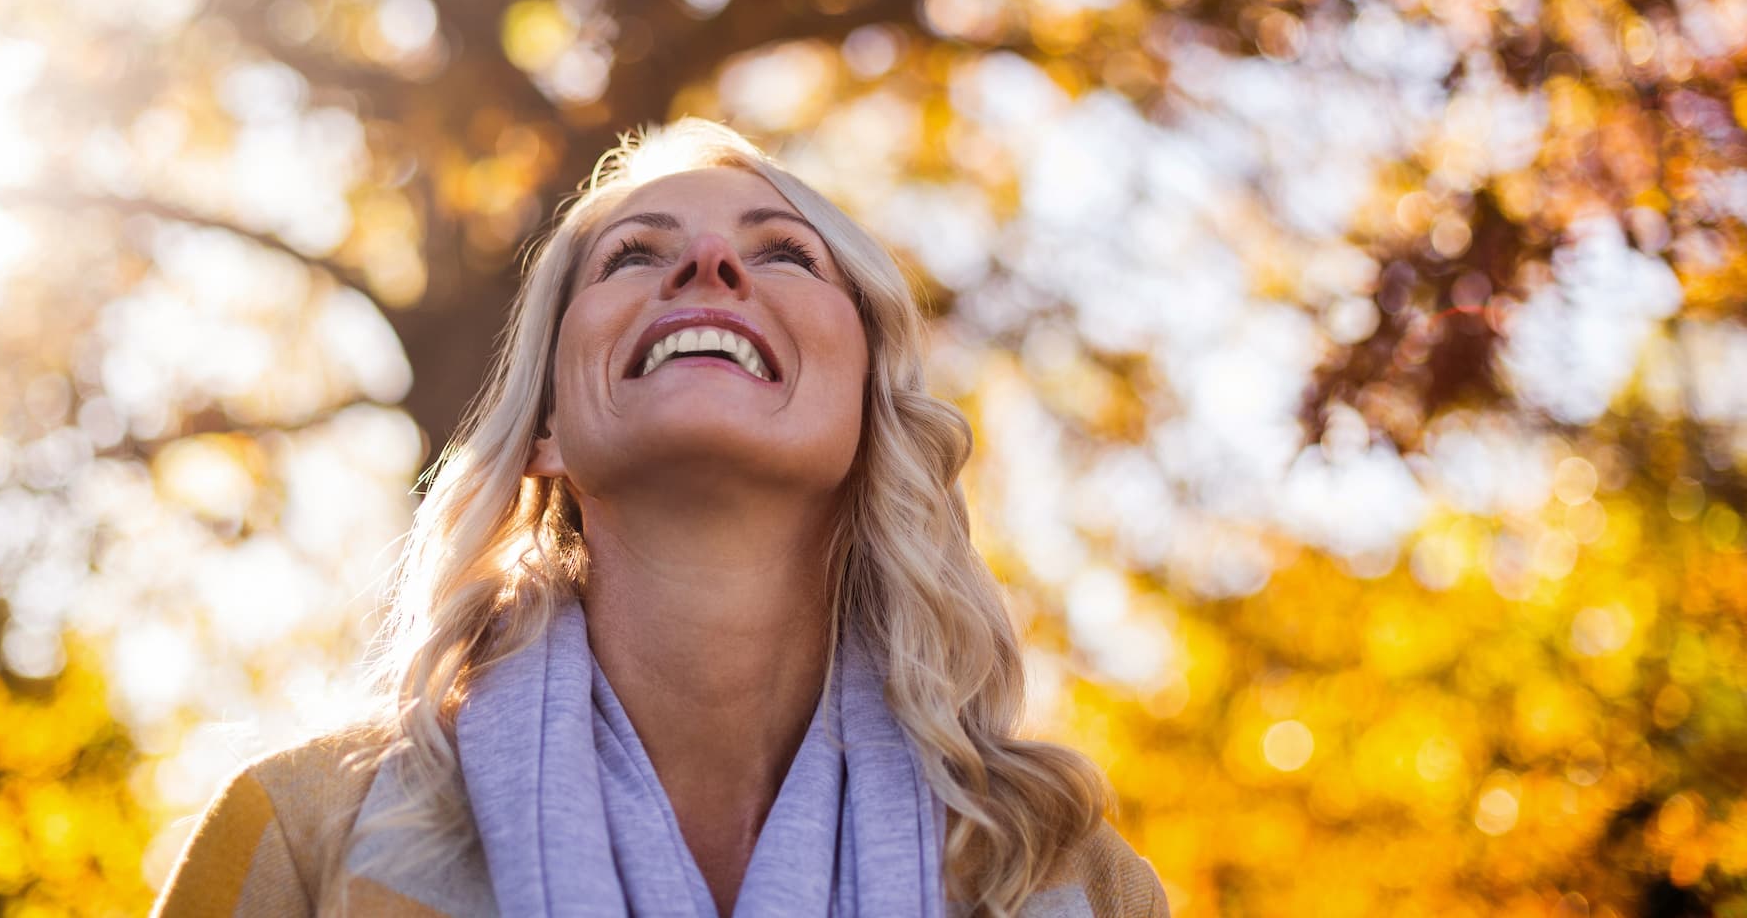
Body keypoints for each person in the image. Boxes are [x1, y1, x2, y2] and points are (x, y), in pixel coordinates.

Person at [151, 118, 1168, 918]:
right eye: (635, 254)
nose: (710, 268)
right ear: (545, 427)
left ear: (871, 414)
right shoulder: (304, 835)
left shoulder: (1068, 880)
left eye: (785, 255)